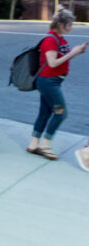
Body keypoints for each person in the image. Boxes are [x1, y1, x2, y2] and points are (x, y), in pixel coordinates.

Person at [29, 9, 87, 160]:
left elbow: (61, 59)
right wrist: (73, 53)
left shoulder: (59, 38)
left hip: (52, 81)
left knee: (45, 112)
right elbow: (53, 63)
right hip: (49, 82)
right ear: (61, 24)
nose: (71, 28)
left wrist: (76, 51)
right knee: (61, 113)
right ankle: (45, 145)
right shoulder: (51, 39)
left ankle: (34, 144)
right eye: (69, 24)